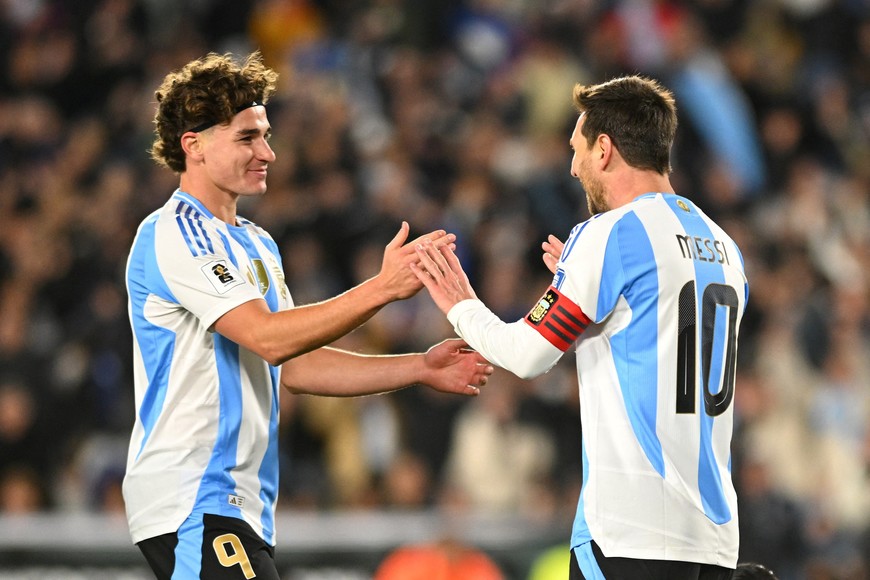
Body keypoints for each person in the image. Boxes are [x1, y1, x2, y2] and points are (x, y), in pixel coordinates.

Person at [123, 51, 493, 580]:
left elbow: (294, 365)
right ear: (194, 145)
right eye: (247, 137)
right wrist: (383, 288)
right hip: (191, 494)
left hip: (238, 501)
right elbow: (267, 338)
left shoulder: (256, 243)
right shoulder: (176, 231)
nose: (268, 152)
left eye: (266, 135)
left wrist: (418, 368)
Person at [412, 75, 748, 579]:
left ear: (605, 149)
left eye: (577, 148)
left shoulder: (609, 233)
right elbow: (648, 334)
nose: (572, 166)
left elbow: (527, 355)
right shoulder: (725, 246)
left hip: (630, 533)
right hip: (712, 542)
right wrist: (581, 292)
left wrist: (461, 305)